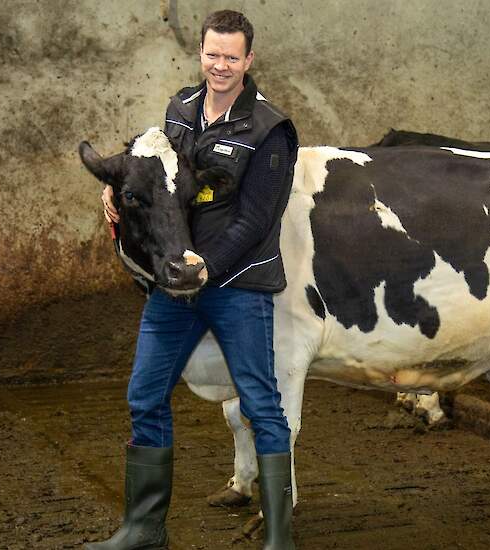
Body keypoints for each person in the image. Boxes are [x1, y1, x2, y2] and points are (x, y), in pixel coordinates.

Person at [88, 10, 298, 550]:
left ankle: (279, 537)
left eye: (232, 56)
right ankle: (142, 529)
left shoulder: (270, 130)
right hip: (176, 284)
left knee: (261, 404)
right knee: (145, 395)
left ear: (249, 60)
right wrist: (118, 188)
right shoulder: (181, 108)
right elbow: (155, 165)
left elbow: (258, 220)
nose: (220, 65)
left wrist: (209, 266)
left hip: (238, 285)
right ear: (200, 53)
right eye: (212, 54)